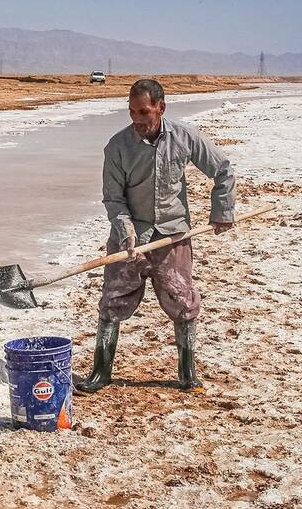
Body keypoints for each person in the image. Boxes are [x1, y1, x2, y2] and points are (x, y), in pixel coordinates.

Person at [76, 78, 236, 394]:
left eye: (144, 112)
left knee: (182, 301)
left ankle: (187, 373)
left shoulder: (185, 137)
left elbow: (223, 170)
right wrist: (126, 232)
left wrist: (222, 212)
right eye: (132, 111)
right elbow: (113, 198)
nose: (137, 119)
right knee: (112, 301)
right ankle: (101, 372)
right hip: (130, 240)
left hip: (172, 236)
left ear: (160, 107)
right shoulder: (118, 146)